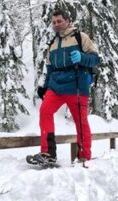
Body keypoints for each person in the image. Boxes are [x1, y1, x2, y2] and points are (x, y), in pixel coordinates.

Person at [27, 9, 101, 166]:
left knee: (81, 122)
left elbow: (95, 59)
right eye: (54, 22)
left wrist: (82, 58)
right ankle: (48, 153)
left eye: (59, 21)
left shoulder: (80, 37)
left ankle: (84, 156)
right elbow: (50, 68)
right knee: (45, 112)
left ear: (68, 21)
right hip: (56, 87)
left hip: (77, 86)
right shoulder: (52, 44)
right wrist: (45, 87)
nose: (56, 24)